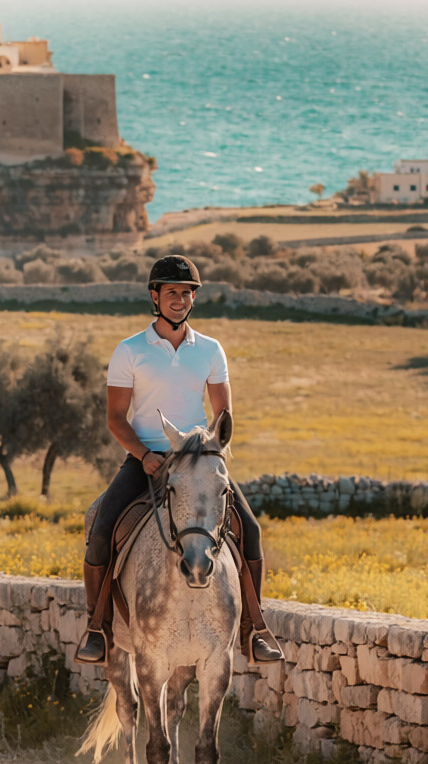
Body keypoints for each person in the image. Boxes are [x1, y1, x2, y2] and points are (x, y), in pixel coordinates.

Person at [74, 254, 283, 666]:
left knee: (251, 530)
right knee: (100, 530)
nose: (180, 300)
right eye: (172, 292)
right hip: (146, 459)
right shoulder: (129, 351)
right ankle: (97, 628)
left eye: (187, 293)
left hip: (198, 460)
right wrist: (144, 455)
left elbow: (223, 414)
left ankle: (253, 629)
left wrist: (211, 450)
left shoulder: (210, 349)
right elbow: (115, 419)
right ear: (155, 296)